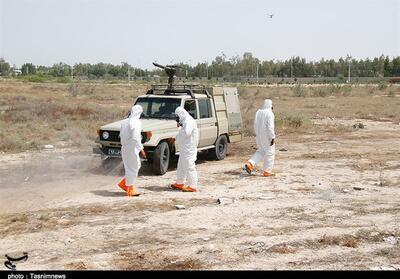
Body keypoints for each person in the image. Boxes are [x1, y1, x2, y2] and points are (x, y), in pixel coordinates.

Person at [117, 105, 146, 196]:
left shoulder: (125, 122)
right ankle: (130, 188)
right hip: (132, 147)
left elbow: (121, 135)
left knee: (132, 166)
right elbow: (136, 137)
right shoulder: (136, 122)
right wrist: (141, 149)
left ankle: (125, 183)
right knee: (133, 167)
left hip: (125, 147)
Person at [170, 106, 199, 192]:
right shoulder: (185, 121)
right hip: (184, 149)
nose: (177, 118)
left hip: (189, 149)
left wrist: (179, 128)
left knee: (189, 167)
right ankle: (180, 183)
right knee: (181, 166)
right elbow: (182, 133)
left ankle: (192, 186)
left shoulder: (189, 121)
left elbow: (186, 133)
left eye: (177, 116)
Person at [244, 99, 276, 177]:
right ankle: (267, 171)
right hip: (267, 137)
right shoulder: (270, 113)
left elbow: (255, 124)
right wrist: (272, 137)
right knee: (270, 153)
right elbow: (270, 127)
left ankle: (250, 163)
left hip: (259, 136)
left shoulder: (258, 112)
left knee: (261, 151)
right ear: (271, 106)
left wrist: (257, 134)